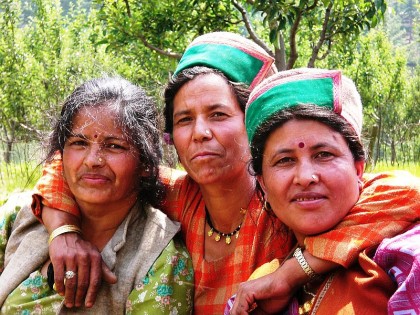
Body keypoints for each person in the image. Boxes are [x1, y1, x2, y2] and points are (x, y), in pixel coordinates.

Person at [31, 33, 418, 314]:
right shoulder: (179, 195)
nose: (200, 133)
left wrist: (291, 272)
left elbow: (401, 193)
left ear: (250, 126)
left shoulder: (284, 198)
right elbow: (73, 166)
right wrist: (64, 229)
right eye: (185, 120)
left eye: (218, 115)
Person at [227, 68, 420, 314]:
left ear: (358, 170)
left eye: (324, 155)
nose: (306, 177)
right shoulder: (253, 295)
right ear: (263, 183)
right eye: (285, 160)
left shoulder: (405, 259)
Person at [0, 76, 194, 314]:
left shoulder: (161, 258)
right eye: (79, 143)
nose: (92, 160)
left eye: (114, 146)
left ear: (145, 163)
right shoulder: (19, 216)